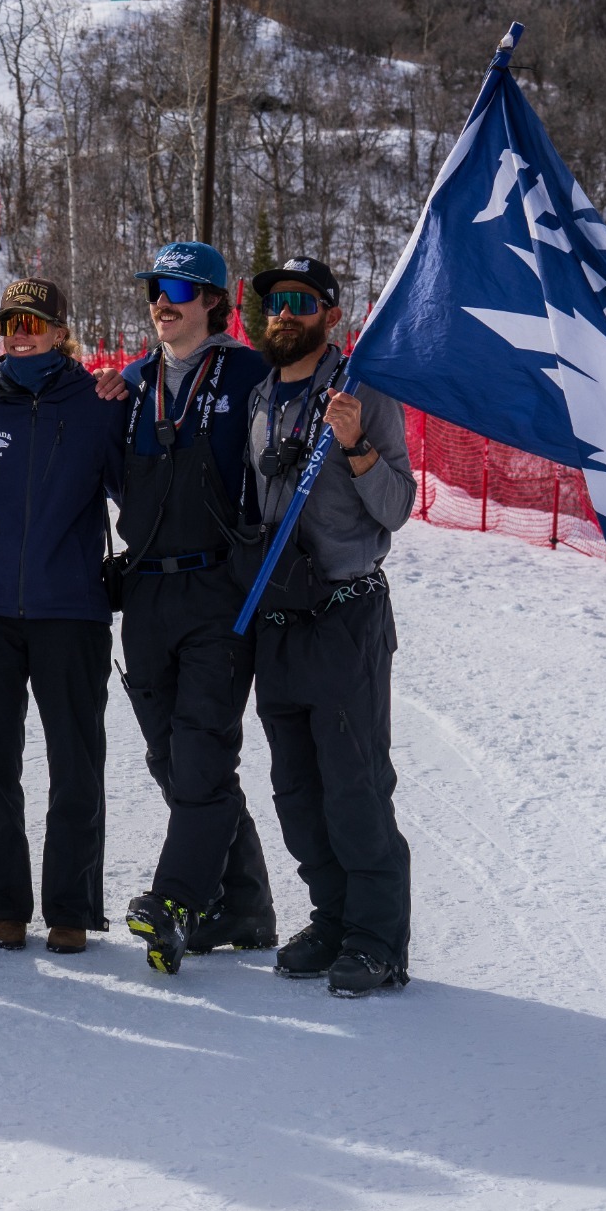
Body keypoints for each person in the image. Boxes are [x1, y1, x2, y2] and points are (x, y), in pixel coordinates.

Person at [242, 256, 417, 997]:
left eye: (301, 302)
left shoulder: (363, 392)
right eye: (275, 301)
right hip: (280, 620)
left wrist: (356, 446)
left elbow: (398, 505)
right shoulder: (259, 396)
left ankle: (378, 938)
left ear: (331, 317)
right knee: (296, 788)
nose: (284, 312)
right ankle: (334, 916)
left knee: (355, 785)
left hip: (345, 614)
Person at [110, 239, 279, 975]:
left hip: (219, 591)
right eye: (156, 289)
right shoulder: (129, 382)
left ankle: (178, 900)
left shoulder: (249, 373)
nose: (162, 302)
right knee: (170, 758)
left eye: (179, 289)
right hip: (145, 589)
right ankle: (244, 904)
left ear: (213, 300)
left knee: (202, 750)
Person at [0, 280, 130, 952]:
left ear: (60, 329)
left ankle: (71, 907)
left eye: (34, 321)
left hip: (71, 606)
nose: (21, 332)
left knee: (76, 763)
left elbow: (134, 494)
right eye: (11, 322)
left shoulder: (98, 402)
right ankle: (4, 903)